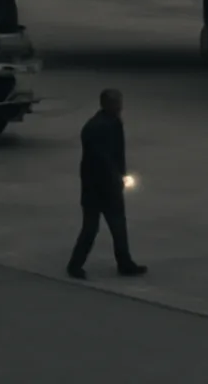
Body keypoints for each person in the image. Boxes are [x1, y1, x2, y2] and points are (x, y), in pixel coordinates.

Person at [66, 88, 147, 279]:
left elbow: (115, 155)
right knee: (95, 227)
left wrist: (120, 176)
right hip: (99, 186)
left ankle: (122, 262)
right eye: (117, 103)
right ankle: (77, 265)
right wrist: (117, 178)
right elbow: (102, 159)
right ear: (107, 104)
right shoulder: (99, 127)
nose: (120, 107)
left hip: (103, 184)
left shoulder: (108, 123)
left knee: (113, 226)